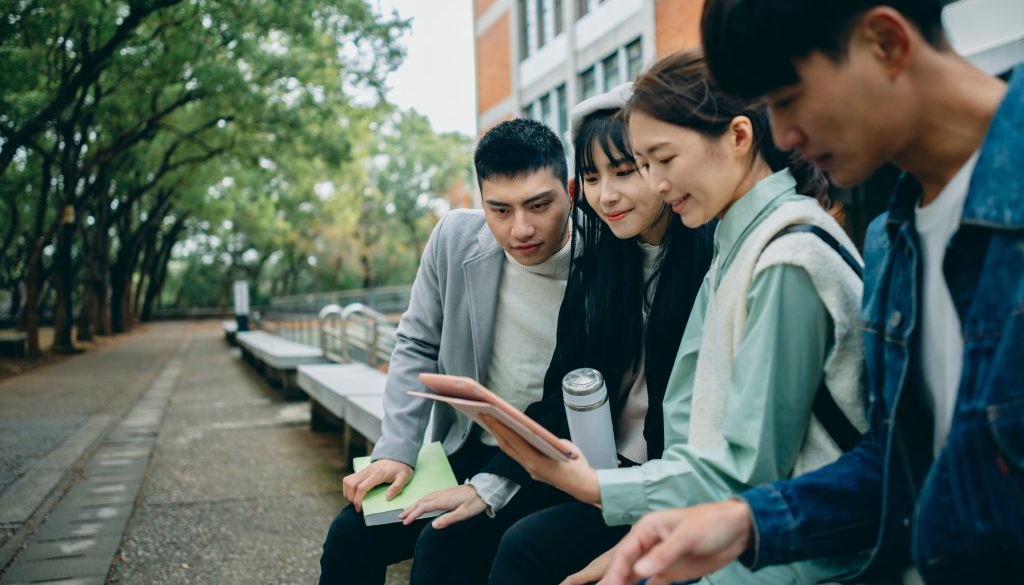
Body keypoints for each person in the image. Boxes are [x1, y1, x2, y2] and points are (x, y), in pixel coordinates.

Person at [601, 0, 1023, 585]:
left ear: (885, 42)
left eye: (789, 99)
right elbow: (895, 469)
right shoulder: (891, 243)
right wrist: (747, 520)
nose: (785, 134)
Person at [486, 48, 868, 584]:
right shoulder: (739, 249)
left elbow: (748, 470)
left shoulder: (786, 258)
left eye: (659, 160)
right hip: (726, 535)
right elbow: (693, 430)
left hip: (787, 560)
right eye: (644, 164)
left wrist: (596, 489)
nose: (656, 183)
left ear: (738, 139)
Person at [400, 84, 713, 584]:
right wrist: (492, 480)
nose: (607, 194)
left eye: (625, 171)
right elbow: (563, 382)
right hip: (598, 472)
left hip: (669, 481)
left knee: (523, 548)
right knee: (452, 541)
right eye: (593, 177)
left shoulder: (706, 259)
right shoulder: (606, 261)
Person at [319, 118, 574, 584]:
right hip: (469, 446)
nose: (521, 229)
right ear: (481, 202)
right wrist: (395, 450)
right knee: (350, 537)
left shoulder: (603, 259)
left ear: (570, 191)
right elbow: (416, 344)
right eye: (500, 210)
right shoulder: (456, 239)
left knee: (443, 549)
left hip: (555, 461)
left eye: (539, 205)